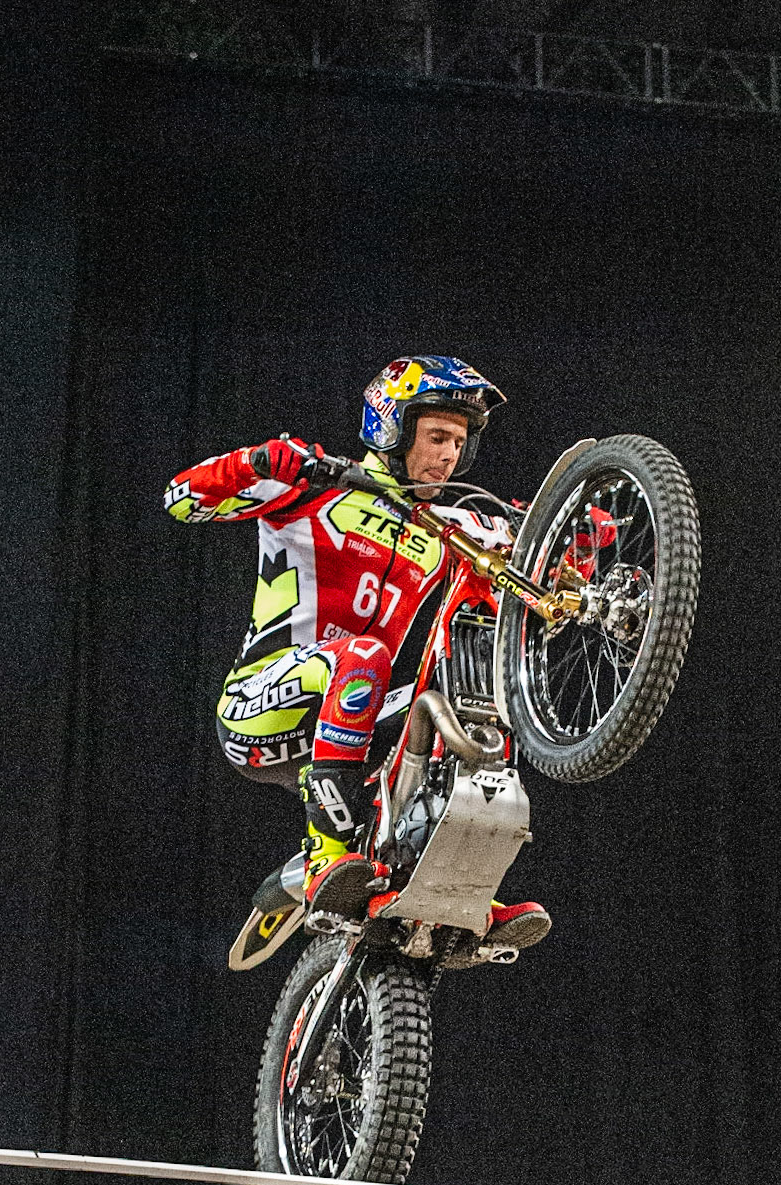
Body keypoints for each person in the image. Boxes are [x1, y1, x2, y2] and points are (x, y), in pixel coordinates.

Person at [163, 355, 550, 951]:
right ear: (392, 428)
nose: (450, 455)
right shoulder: (312, 488)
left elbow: (534, 548)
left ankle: (460, 889)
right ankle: (328, 854)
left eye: (460, 442)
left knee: (461, 702)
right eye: (438, 436)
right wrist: (261, 461)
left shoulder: (445, 526)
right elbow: (178, 498)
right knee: (363, 653)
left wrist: (589, 525)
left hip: (355, 717)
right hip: (259, 705)